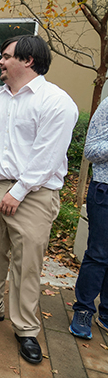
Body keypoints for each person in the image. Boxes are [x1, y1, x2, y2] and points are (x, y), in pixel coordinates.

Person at [0, 35, 78, 365]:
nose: (0, 62)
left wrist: (18, 191)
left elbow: (47, 155)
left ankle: (26, 329)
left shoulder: (56, 102)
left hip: (35, 193)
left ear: (28, 61)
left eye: (6, 56)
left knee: (27, 263)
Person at [69, 96, 108, 339]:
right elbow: (90, 150)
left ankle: (106, 313)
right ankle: (83, 309)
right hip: (105, 188)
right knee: (99, 253)